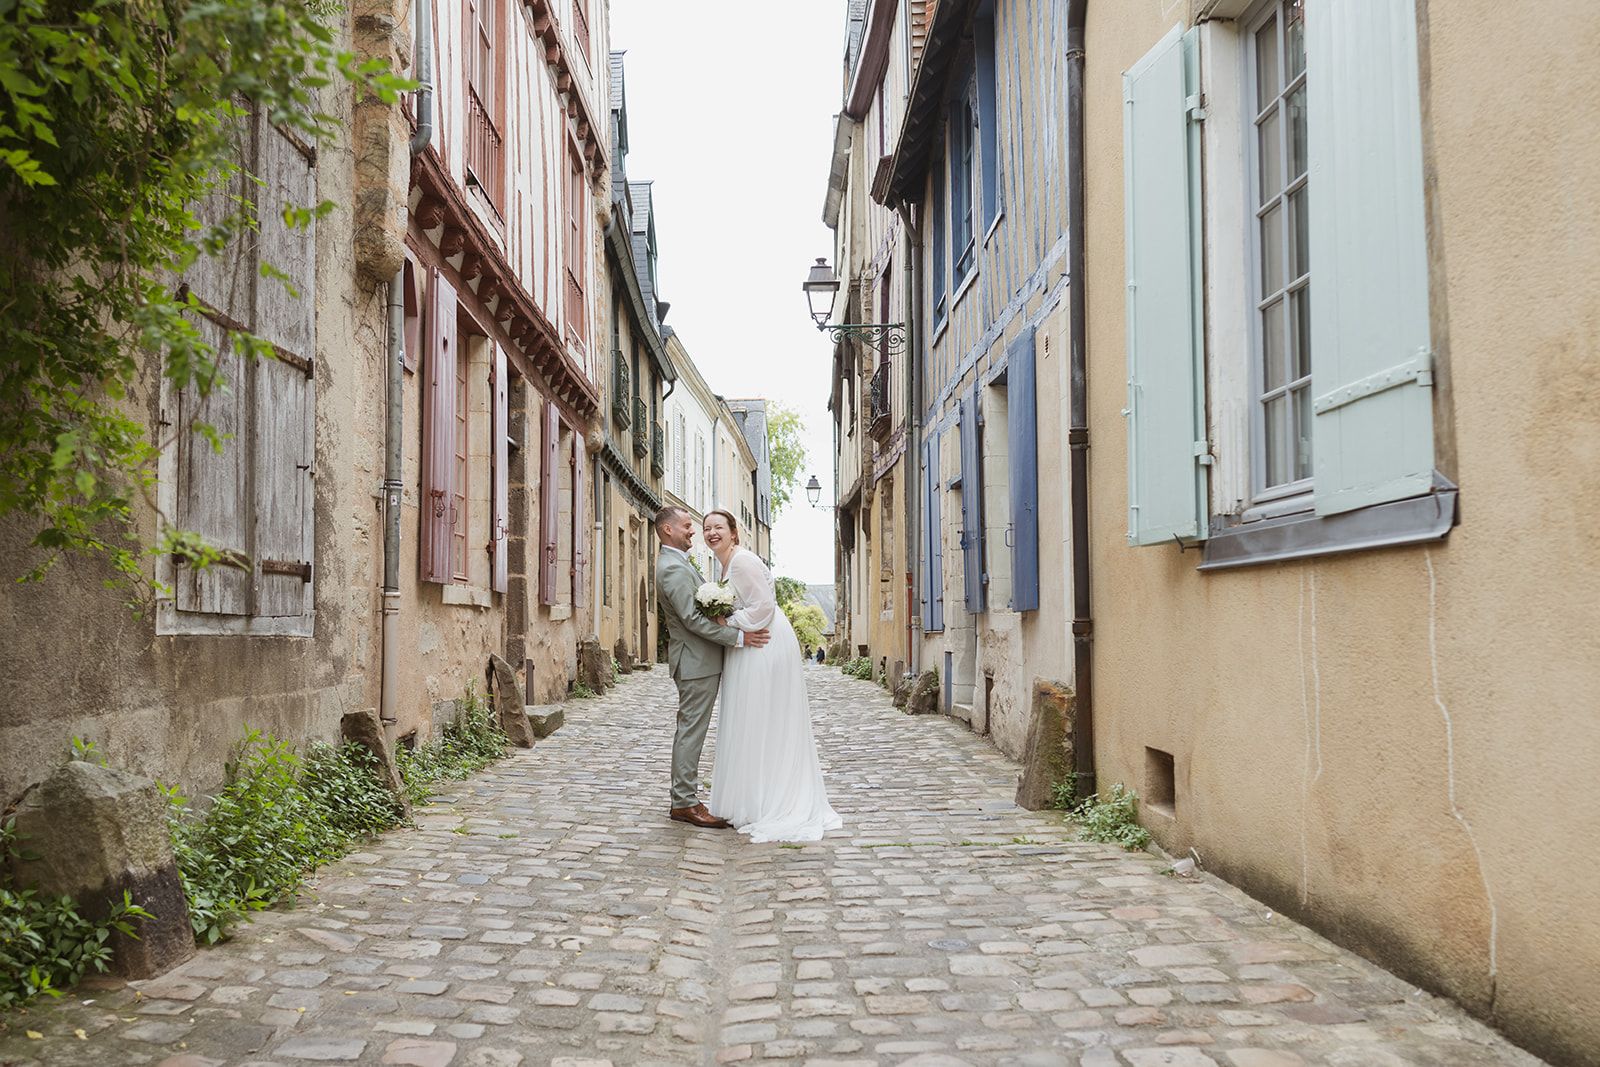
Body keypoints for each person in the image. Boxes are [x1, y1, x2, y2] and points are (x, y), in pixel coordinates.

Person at [703, 509, 843, 843]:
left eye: (718, 527)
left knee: (763, 718)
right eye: (707, 528)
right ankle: (754, 795)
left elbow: (763, 607)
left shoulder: (741, 561)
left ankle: (770, 800)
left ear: (734, 532)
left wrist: (728, 623)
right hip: (750, 641)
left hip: (762, 642)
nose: (711, 533)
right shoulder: (726, 563)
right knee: (752, 718)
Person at [653, 505, 770, 828]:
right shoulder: (672, 569)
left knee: (692, 730)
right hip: (694, 661)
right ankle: (684, 802)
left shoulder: (678, 562)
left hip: (700, 660)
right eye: (688, 526)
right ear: (668, 531)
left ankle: (685, 798)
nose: (693, 531)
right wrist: (739, 638)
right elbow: (692, 620)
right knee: (691, 732)